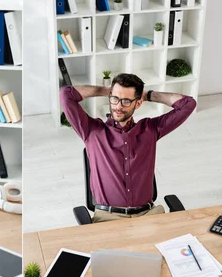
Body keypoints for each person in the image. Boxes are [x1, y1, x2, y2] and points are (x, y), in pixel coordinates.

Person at [61, 73, 196, 223]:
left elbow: (187, 104)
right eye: (115, 99)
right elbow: (66, 94)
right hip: (108, 218)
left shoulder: (150, 129)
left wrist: (149, 95)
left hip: (149, 214)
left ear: (138, 103)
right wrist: (106, 91)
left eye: (125, 101)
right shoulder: (91, 131)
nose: (118, 106)